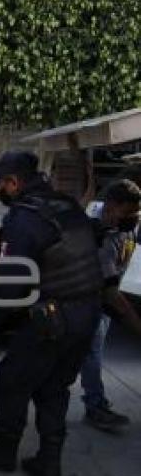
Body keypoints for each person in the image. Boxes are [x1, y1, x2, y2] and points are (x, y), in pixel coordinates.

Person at [0, 150, 103, 476]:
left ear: (14, 182)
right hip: (88, 312)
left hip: (52, 317)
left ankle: (4, 449)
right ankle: (49, 461)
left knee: (11, 380)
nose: (0, 191)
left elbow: (12, 281)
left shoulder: (24, 219)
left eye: (1, 184)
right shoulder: (67, 205)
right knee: (55, 386)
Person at [80, 179, 141, 431]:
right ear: (112, 206)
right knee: (90, 356)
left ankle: (94, 403)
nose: (134, 218)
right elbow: (111, 293)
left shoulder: (127, 227)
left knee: (90, 355)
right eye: (129, 213)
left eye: (138, 213)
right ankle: (95, 406)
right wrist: (136, 325)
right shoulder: (100, 240)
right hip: (88, 304)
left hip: (103, 305)